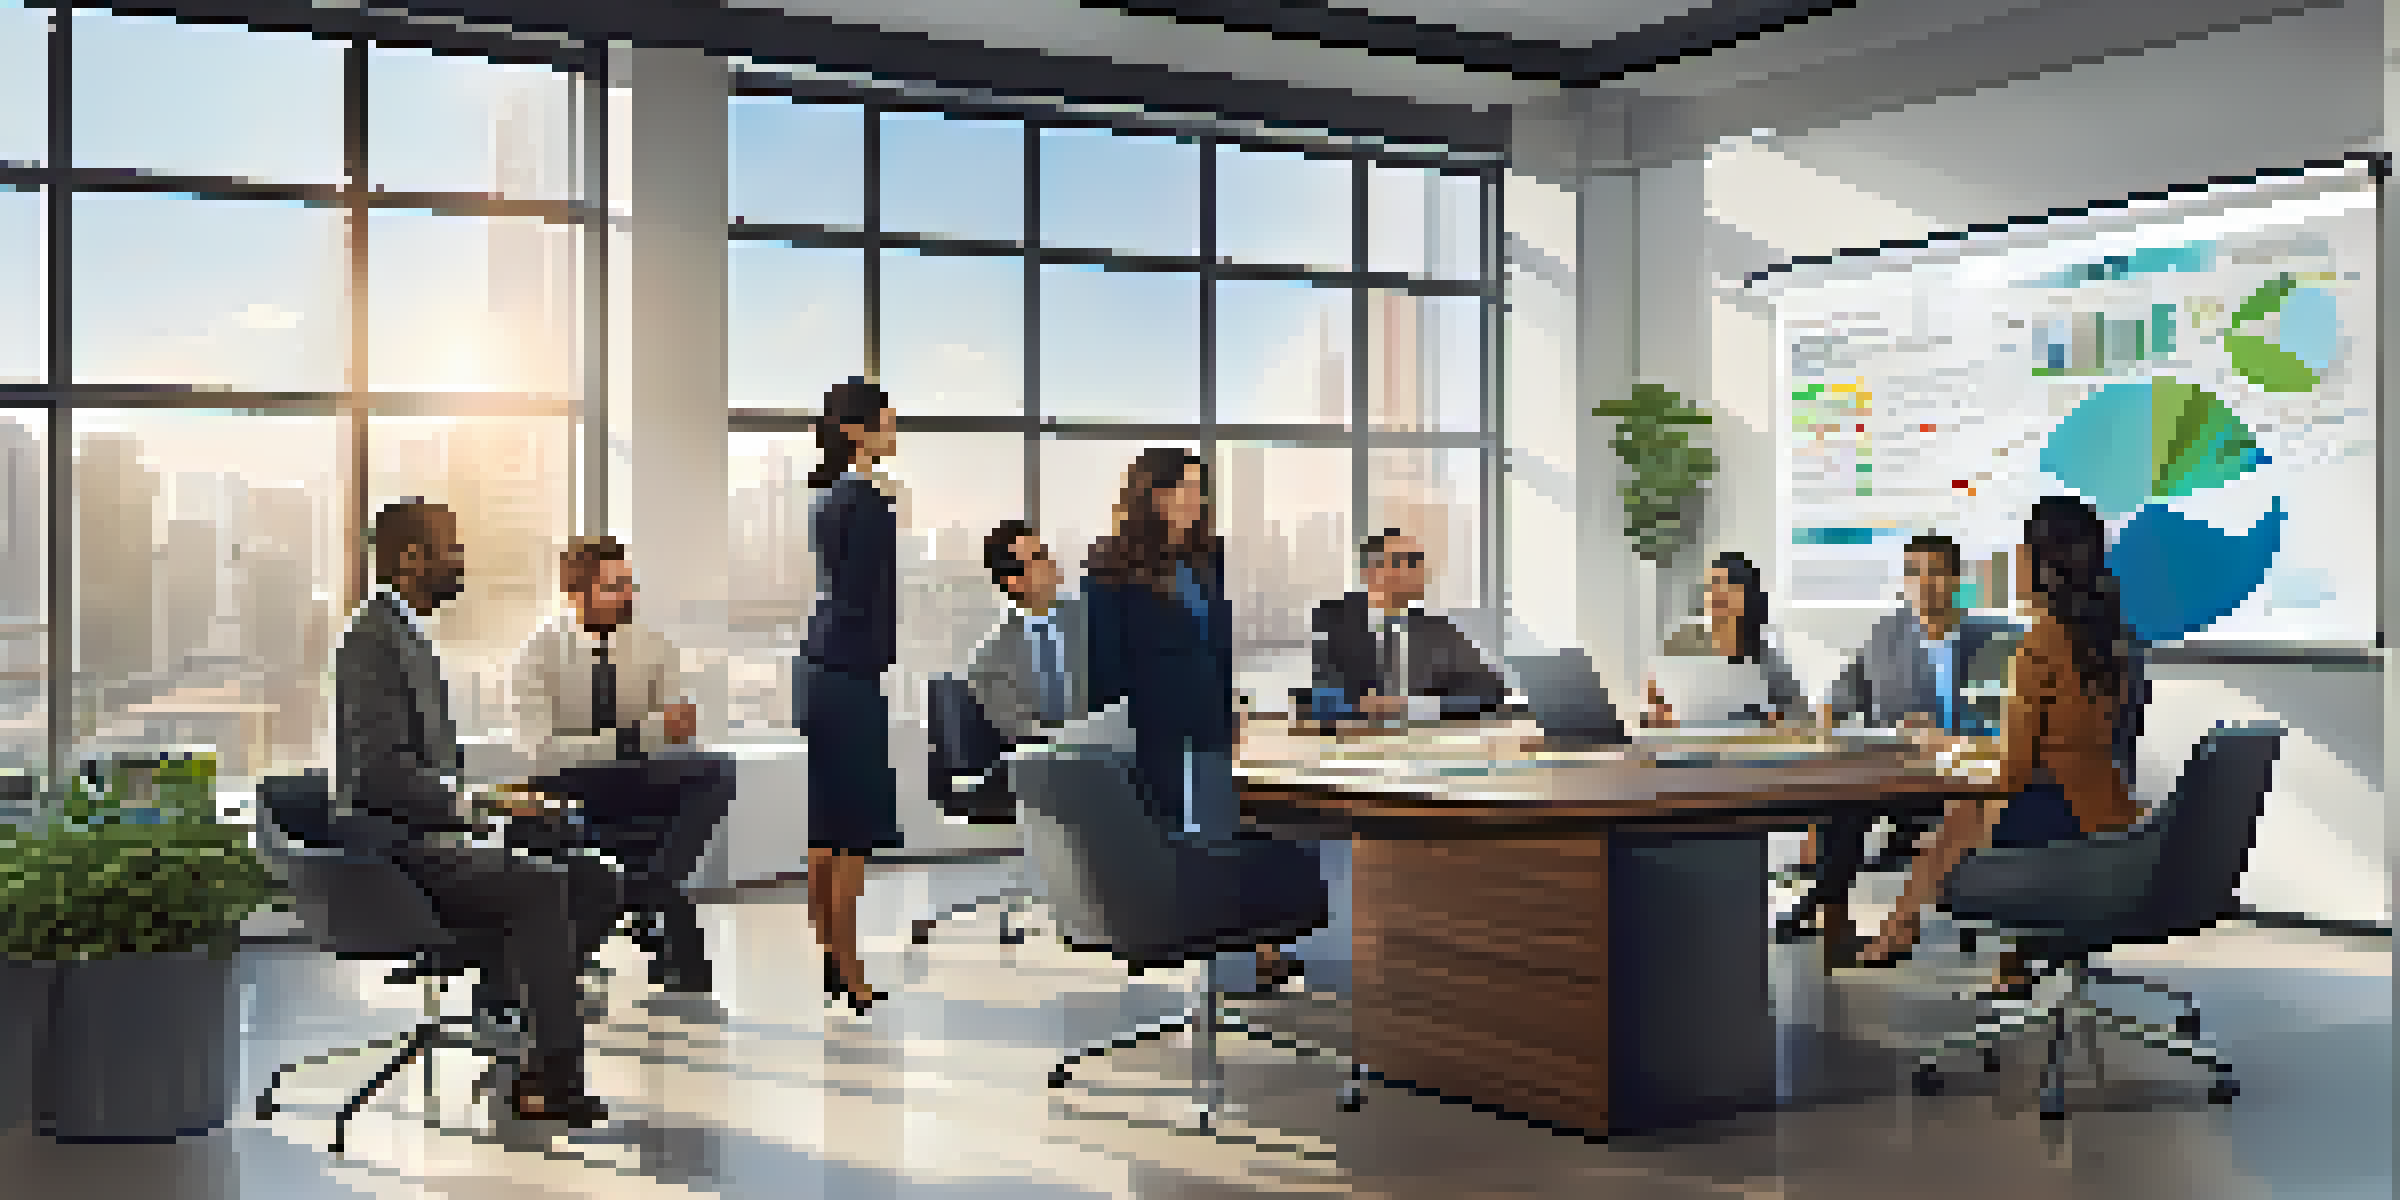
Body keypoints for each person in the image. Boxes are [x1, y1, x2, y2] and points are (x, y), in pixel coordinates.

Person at [334, 498, 620, 1125]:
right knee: (541, 888)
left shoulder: (404, 630)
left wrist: (499, 806)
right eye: (451, 548)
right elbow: (380, 774)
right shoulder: (371, 637)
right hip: (397, 851)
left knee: (595, 877)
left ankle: (513, 1019)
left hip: (430, 831)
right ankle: (551, 1078)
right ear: (412, 557)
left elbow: (422, 769)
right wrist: (476, 803)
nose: (460, 562)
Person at [1860, 496, 2146, 994]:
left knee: (1966, 812)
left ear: (2041, 561)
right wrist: (1969, 743)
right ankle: (2002, 960)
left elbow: (2013, 772)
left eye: (2021, 548)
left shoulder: (2038, 645)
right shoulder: (2113, 641)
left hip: (2060, 822)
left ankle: (1900, 929)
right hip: (2113, 815)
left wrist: (1949, 750)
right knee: (1977, 809)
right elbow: (2063, 743)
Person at [510, 535, 736, 995]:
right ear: (576, 593)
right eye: (614, 587)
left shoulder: (654, 646)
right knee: (534, 807)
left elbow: (675, 733)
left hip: (635, 780)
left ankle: (649, 887)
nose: (628, 595)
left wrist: (670, 730)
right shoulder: (538, 653)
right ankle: (654, 891)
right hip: (570, 787)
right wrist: (638, 735)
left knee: (717, 770)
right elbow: (543, 752)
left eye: (629, 584)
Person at [1782, 534, 2023, 949]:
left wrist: (1944, 739)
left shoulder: (1996, 639)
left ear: (1955, 579)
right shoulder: (1886, 637)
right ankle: (1830, 911)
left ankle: (1823, 903)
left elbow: (2011, 726)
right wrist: (1815, 733)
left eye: (1934, 572)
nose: (1923, 583)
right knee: (1845, 800)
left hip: (1973, 782)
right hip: (1903, 780)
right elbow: (1839, 699)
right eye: (1913, 573)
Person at [797, 378, 903, 1015]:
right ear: (857, 430)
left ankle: (834, 965)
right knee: (852, 832)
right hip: (847, 675)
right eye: (887, 420)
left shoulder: (829, 496)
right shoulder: (865, 500)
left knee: (827, 831)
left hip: (822, 669)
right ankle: (851, 970)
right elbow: (863, 599)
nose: (894, 429)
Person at [1306, 528, 1506, 723]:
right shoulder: (1332, 619)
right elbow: (1314, 697)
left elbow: (1490, 691)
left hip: (1428, 745)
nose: (1419, 571)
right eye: (1408, 561)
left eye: (1419, 561)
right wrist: (1357, 708)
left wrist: (1414, 707)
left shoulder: (1439, 630)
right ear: (1371, 572)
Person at [1643, 551, 1806, 727]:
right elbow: (1655, 707)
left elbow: (1797, 718)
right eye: (1712, 584)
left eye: (1727, 583)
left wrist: (1767, 723)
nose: (1716, 591)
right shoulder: (1680, 647)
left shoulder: (1769, 662)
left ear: (1746, 594)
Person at [966, 521, 1089, 745]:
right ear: (1014, 582)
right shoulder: (991, 662)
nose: (1051, 562)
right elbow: (1020, 736)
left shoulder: (1092, 620)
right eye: (1038, 557)